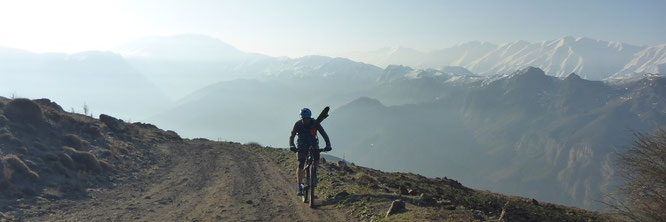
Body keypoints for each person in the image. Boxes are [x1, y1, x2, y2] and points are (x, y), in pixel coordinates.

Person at [289, 108, 331, 196]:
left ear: (310, 117)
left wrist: (328, 144)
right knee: (301, 163)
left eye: (307, 118)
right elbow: (292, 135)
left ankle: (314, 174)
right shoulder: (298, 124)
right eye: (304, 119)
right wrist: (292, 145)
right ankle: (299, 185)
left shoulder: (315, 123)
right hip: (302, 145)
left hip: (313, 144)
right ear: (301, 118)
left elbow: (324, 134)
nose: (306, 120)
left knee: (316, 158)